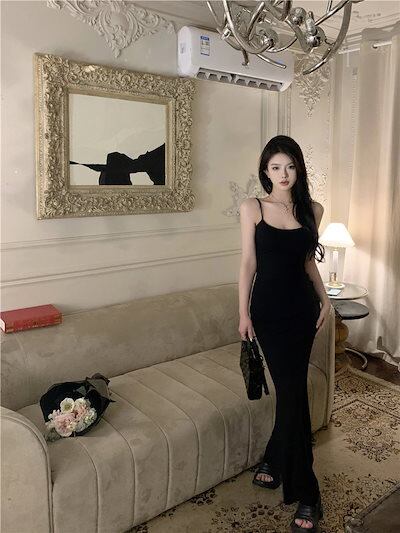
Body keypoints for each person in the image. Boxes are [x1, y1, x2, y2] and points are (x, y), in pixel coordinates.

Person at [238, 135, 331, 531]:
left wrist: (325, 300)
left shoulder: (313, 210)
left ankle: (276, 460)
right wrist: (242, 313)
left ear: (299, 169)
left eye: (290, 166)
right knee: (293, 394)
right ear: (265, 171)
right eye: (276, 167)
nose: (283, 174)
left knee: (292, 394)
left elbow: (308, 262)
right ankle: (309, 494)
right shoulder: (252, 207)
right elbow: (248, 263)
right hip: (269, 314)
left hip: (303, 311)